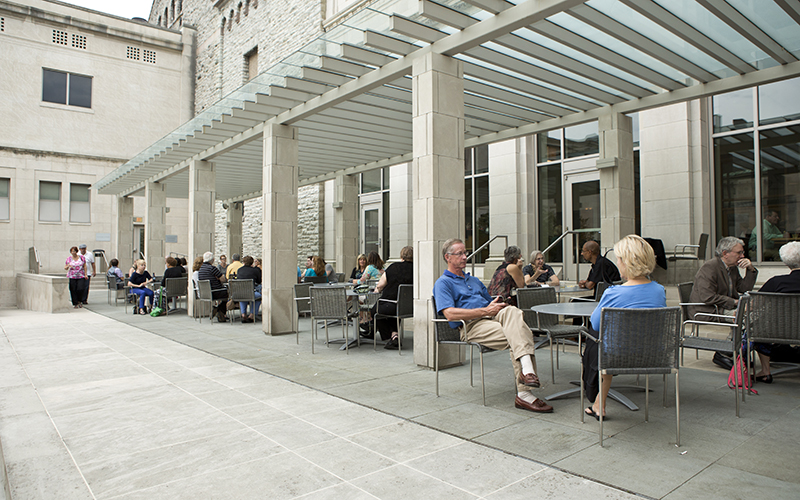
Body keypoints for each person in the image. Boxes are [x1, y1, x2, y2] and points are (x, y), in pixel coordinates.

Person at [434, 238, 553, 413]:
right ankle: (525, 392)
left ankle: (526, 377)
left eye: (465, 253)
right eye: (460, 254)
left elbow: (488, 300)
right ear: (448, 257)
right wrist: (485, 311)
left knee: (513, 312)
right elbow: (450, 314)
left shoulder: (473, 280)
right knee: (520, 333)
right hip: (471, 326)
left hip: (493, 317)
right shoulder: (443, 283)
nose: (465, 257)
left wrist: (495, 303)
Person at [582, 235, 667, 420]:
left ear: (627, 262)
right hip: (652, 355)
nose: (617, 263)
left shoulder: (613, 292)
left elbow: (595, 323)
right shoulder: (659, 290)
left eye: (619, 259)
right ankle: (599, 403)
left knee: (596, 338)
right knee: (614, 340)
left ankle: (596, 399)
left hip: (616, 356)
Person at [751, 242, 800, 383]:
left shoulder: (776, 282)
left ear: (786, 264)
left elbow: (753, 305)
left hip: (778, 332)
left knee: (757, 329)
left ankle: (766, 371)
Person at [688, 236, 758, 322]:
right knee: (744, 318)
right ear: (725, 254)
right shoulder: (709, 267)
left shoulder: (732, 268)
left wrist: (750, 269)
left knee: (757, 313)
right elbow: (707, 297)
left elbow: (743, 288)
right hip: (708, 311)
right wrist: (735, 302)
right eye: (739, 253)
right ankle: (733, 335)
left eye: (742, 252)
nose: (742, 256)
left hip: (723, 308)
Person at [372, 246, 413, 349]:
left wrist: (377, 290)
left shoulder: (394, 267)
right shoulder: (417, 269)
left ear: (401, 256)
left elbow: (380, 285)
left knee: (375, 311)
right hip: (410, 307)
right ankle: (394, 336)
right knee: (394, 310)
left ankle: (386, 336)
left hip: (390, 304)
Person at [198, 252, 229, 322]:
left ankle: (219, 311)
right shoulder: (212, 268)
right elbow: (223, 279)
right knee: (228, 293)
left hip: (205, 293)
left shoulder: (200, 270)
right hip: (215, 292)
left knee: (224, 292)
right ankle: (220, 310)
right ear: (212, 260)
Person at [236, 256, 262, 323]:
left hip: (240, 294)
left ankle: (243, 313)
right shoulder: (255, 270)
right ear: (252, 262)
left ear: (243, 262)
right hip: (251, 293)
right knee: (258, 296)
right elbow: (259, 281)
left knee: (243, 294)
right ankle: (252, 314)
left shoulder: (239, 270)